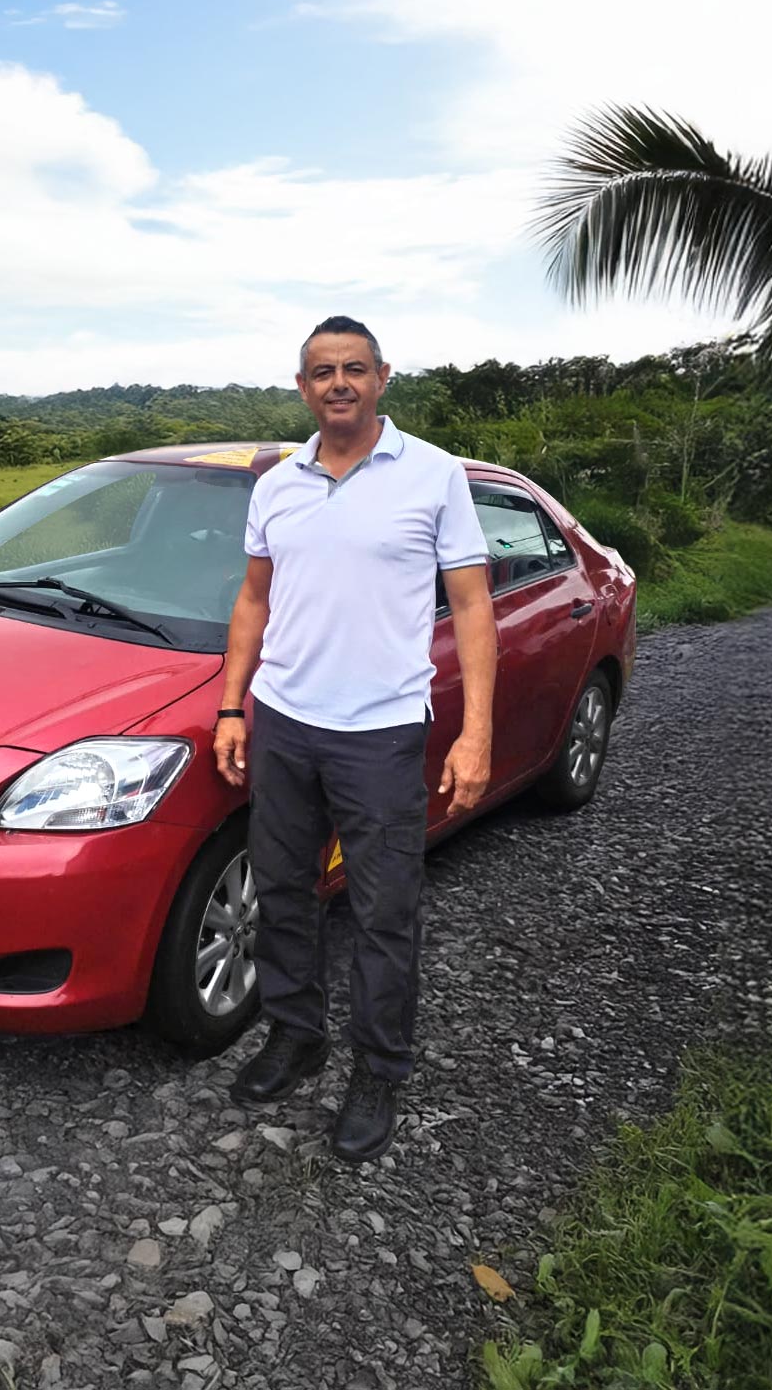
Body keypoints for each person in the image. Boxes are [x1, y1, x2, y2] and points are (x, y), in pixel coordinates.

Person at [213, 316, 494, 1162]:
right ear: (302, 387)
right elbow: (254, 600)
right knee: (286, 892)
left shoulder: (434, 476)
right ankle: (298, 1034)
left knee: (383, 913)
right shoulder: (278, 484)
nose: (339, 382)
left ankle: (379, 1067)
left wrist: (474, 731)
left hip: (380, 732)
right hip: (286, 722)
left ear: (382, 378)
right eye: (322, 371)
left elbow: (474, 608)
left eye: (355, 369)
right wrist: (233, 706)